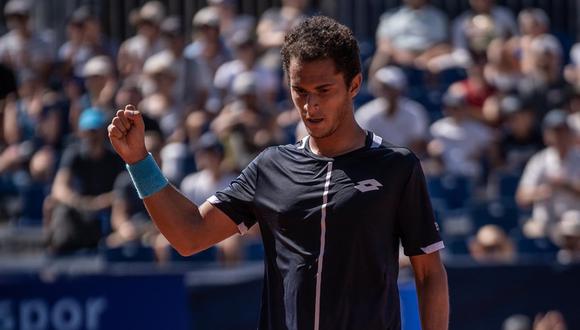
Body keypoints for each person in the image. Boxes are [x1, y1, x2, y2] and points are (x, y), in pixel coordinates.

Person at [108, 16, 448, 330]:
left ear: (354, 85)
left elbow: (429, 274)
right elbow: (189, 235)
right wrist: (139, 162)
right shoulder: (270, 167)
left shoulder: (397, 167)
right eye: (300, 91)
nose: (309, 106)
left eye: (324, 91)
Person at [516, 110, 580, 238]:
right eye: (555, 131)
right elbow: (521, 197)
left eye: (562, 131)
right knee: (530, 230)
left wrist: (566, 186)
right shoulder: (539, 161)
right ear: (547, 135)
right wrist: (544, 191)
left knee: (570, 229)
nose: (559, 136)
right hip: (545, 220)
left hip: (574, 218)